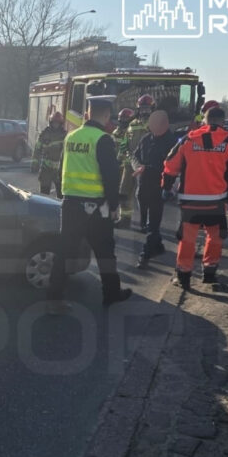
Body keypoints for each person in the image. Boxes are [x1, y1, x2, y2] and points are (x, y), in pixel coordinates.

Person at [46, 96, 132, 312]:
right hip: (96, 208)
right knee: (105, 251)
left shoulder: (71, 137)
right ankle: (111, 294)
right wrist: (114, 207)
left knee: (65, 251)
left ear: (87, 113)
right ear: (105, 115)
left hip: (70, 204)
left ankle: (53, 299)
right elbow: (111, 177)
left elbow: (61, 169)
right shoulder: (103, 139)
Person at [161, 107, 228, 289]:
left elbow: (170, 165)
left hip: (190, 202)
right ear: (222, 122)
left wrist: (166, 187)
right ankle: (209, 274)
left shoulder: (188, 139)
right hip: (217, 202)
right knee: (214, 237)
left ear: (205, 121)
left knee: (187, 238)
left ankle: (183, 277)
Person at [132, 109, 178, 268]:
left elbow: (173, 166)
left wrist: (170, 187)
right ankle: (157, 246)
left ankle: (145, 255)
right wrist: (138, 166)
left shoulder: (172, 142)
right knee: (145, 223)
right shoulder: (145, 139)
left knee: (153, 223)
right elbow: (135, 156)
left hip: (160, 186)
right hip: (143, 185)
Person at [32, 110, 67, 197]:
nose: (56, 125)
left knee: (61, 195)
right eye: (54, 123)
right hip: (46, 168)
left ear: (61, 123)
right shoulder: (44, 134)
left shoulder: (65, 135)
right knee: (44, 195)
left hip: (59, 171)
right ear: (51, 122)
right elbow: (37, 149)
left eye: (58, 123)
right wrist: (34, 163)